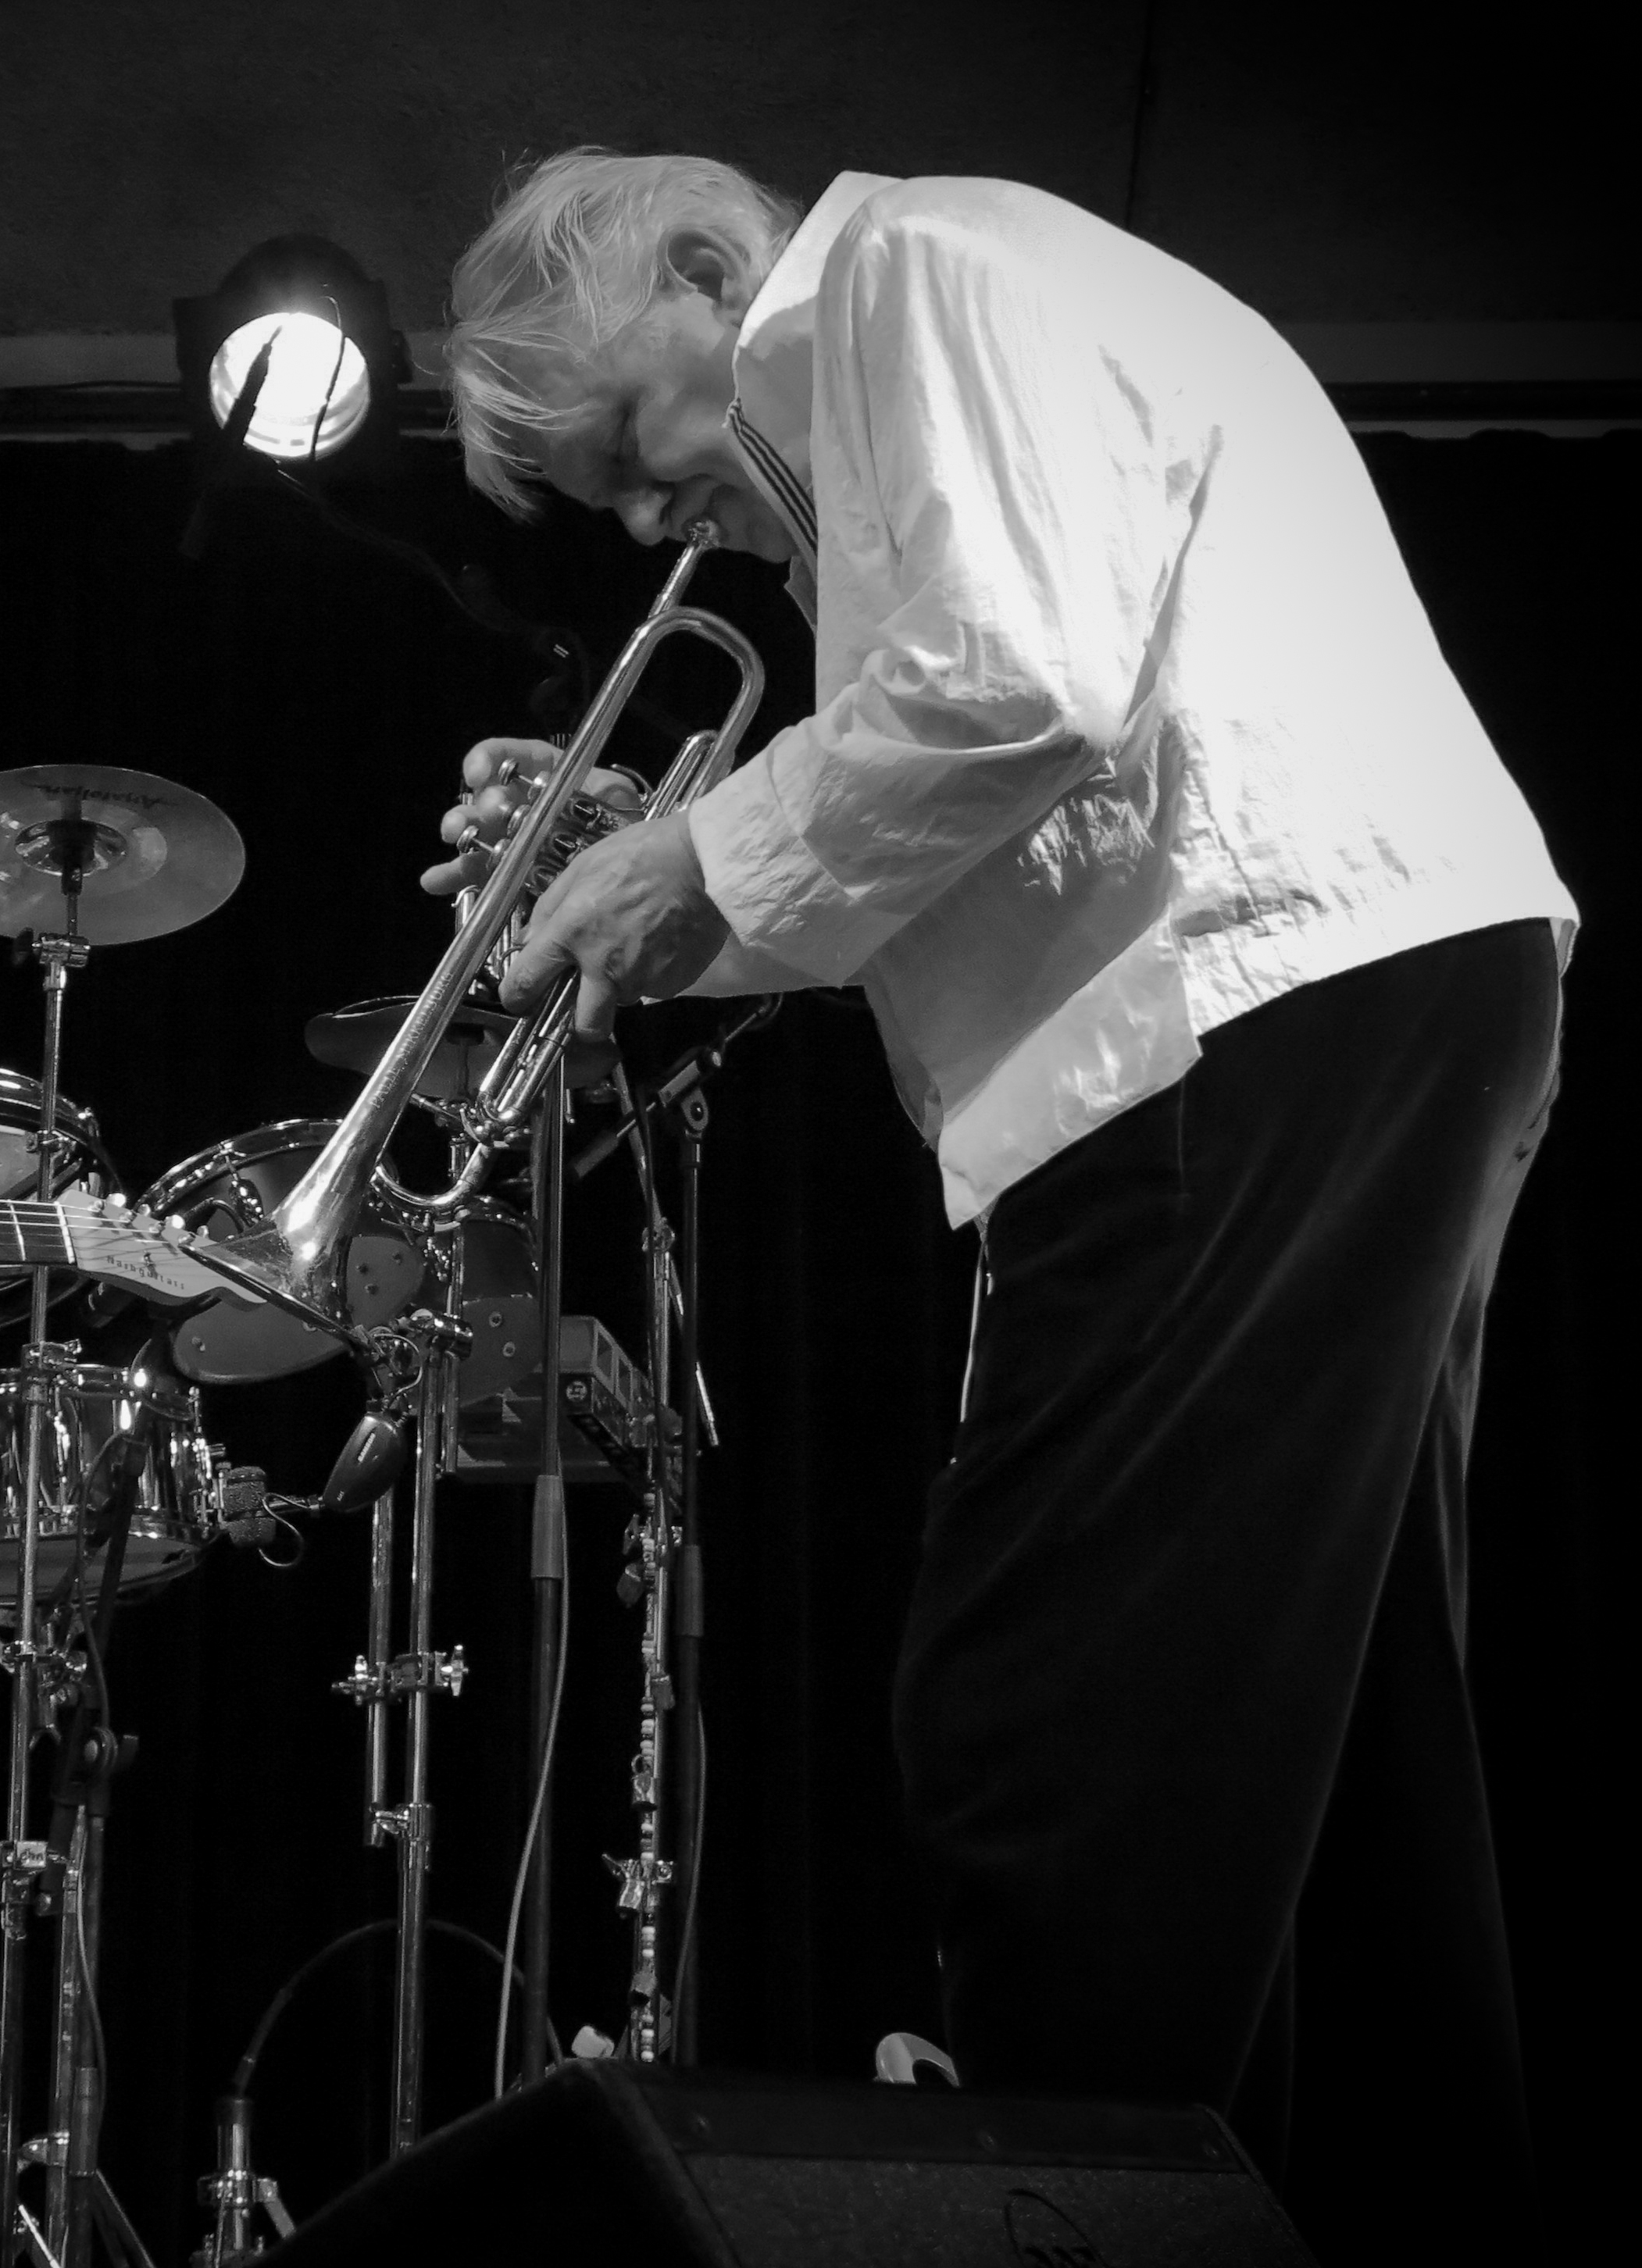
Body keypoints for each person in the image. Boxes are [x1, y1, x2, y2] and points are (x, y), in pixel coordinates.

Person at [427, 154, 1572, 2245]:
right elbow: (1003, 774)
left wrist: (686, 869)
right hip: (1342, 987)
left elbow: (1022, 684)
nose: (638, 523)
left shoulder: (909, 281)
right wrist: (659, 847)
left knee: (1059, 1712)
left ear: (707, 267)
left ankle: (1076, 2224)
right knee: (1336, 1781)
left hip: (1246, 1007)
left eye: (625, 449)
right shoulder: (949, 341)